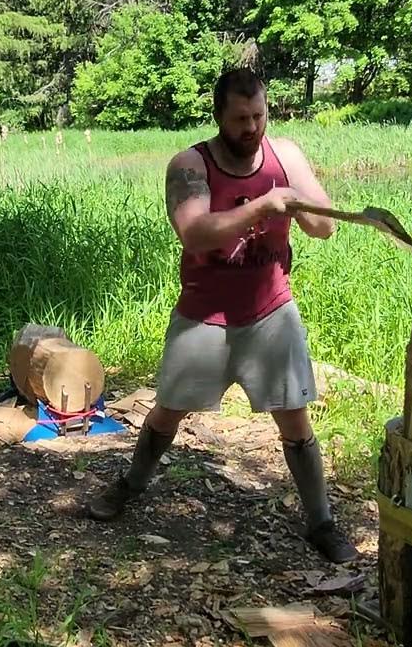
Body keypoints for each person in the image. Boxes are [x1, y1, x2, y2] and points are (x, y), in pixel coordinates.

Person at [84, 68, 358, 564]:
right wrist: (264, 206)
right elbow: (195, 233)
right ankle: (130, 485)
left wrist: (300, 204)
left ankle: (322, 523)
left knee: (295, 420)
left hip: (271, 311)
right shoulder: (190, 164)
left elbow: (324, 228)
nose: (251, 127)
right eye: (240, 119)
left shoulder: (286, 156)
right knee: (169, 408)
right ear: (218, 116)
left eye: (258, 116)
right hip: (203, 314)